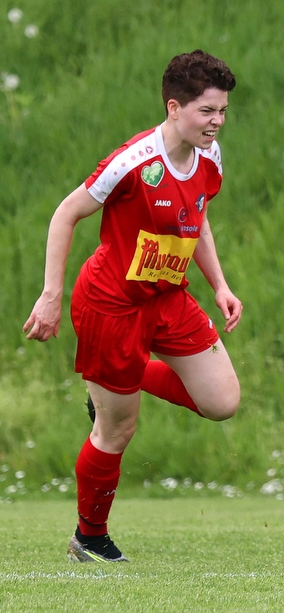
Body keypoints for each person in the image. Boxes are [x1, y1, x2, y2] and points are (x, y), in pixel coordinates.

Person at [22, 50, 242, 563]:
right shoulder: (133, 161)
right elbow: (64, 214)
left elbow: (198, 219)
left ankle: (120, 378)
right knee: (118, 428)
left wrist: (220, 285)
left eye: (223, 111)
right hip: (111, 305)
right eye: (207, 111)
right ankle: (89, 536)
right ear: (174, 107)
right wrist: (51, 296)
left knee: (222, 401)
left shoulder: (210, 155)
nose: (217, 122)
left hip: (168, 297)